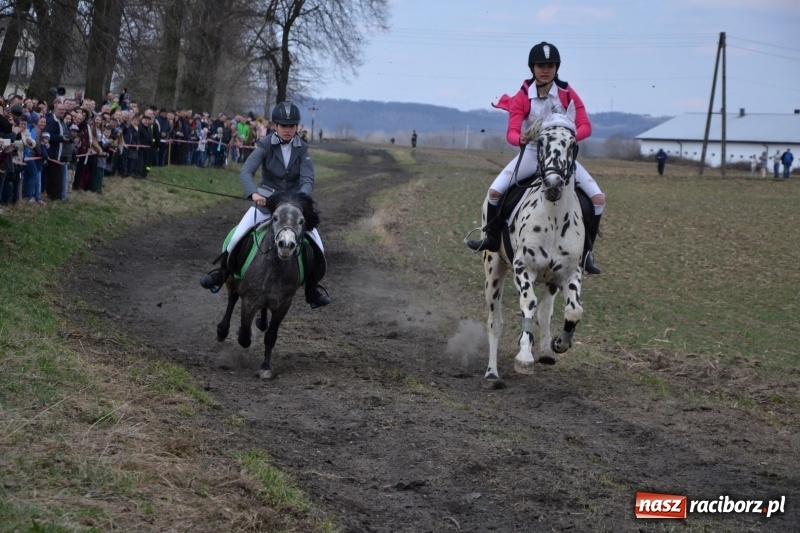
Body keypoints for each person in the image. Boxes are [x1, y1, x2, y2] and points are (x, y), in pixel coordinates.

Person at [465, 41, 606, 275]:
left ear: (556, 68)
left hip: (561, 156)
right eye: (541, 65)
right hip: (532, 153)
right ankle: (490, 238)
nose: (545, 69)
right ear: (532, 67)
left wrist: (568, 138)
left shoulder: (567, 93)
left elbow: (585, 126)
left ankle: (587, 252)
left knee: (598, 199)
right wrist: (518, 138)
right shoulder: (523, 96)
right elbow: (511, 131)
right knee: (494, 193)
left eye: (550, 65)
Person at [199, 102, 331, 309]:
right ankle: (222, 272)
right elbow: (246, 172)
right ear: (275, 126)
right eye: (283, 126)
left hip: (293, 207)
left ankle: (312, 289)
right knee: (236, 237)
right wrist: (253, 192)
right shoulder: (265, 145)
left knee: (318, 247)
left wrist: (299, 200)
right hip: (266, 204)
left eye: (292, 126)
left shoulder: (303, 148)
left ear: (296, 127)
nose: (288, 130)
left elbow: (307, 179)